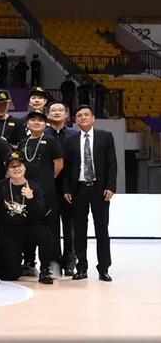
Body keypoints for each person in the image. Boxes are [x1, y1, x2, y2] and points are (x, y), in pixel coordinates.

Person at [63, 105, 117, 282]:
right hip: (78, 190)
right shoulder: (70, 140)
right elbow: (67, 168)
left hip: (100, 189)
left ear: (93, 118)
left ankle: (104, 268)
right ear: (75, 120)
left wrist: (111, 186)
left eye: (86, 115)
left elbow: (112, 163)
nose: (83, 117)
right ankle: (81, 267)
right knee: (79, 230)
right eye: (79, 115)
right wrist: (67, 189)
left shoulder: (105, 136)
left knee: (102, 229)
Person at [0, 151, 54, 285]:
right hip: (8, 230)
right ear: (7, 170)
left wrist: (31, 198)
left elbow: (39, 214)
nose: (16, 169)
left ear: (24, 168)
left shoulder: (34, 187)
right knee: (12, 274)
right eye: (12, 166)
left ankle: (45, 270)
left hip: (28, 227)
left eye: (19, 165)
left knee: (45, 234)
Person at [18, 110, 63, 277]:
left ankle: (50, 264)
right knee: (27, 226)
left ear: (45, 124)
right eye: (33, 120)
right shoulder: (23, 143)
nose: (36, 123)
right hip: (26, 191)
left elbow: (59, 164)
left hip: (46, 192)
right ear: (27, 123)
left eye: (40, 120)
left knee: (48, 228)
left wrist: (47, 180)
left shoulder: (50, 141)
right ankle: (29, 262)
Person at [46, 101, 79, 276]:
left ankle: (70, 261)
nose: (57, 112)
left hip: (70, 188)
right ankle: (54, 261)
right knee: (51, 226)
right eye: (53, 110)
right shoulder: (43, 134)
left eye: (61, 110)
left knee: (70, 226)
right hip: (49, 186)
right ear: (48, 114)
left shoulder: (75, 134)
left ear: (66, 115)